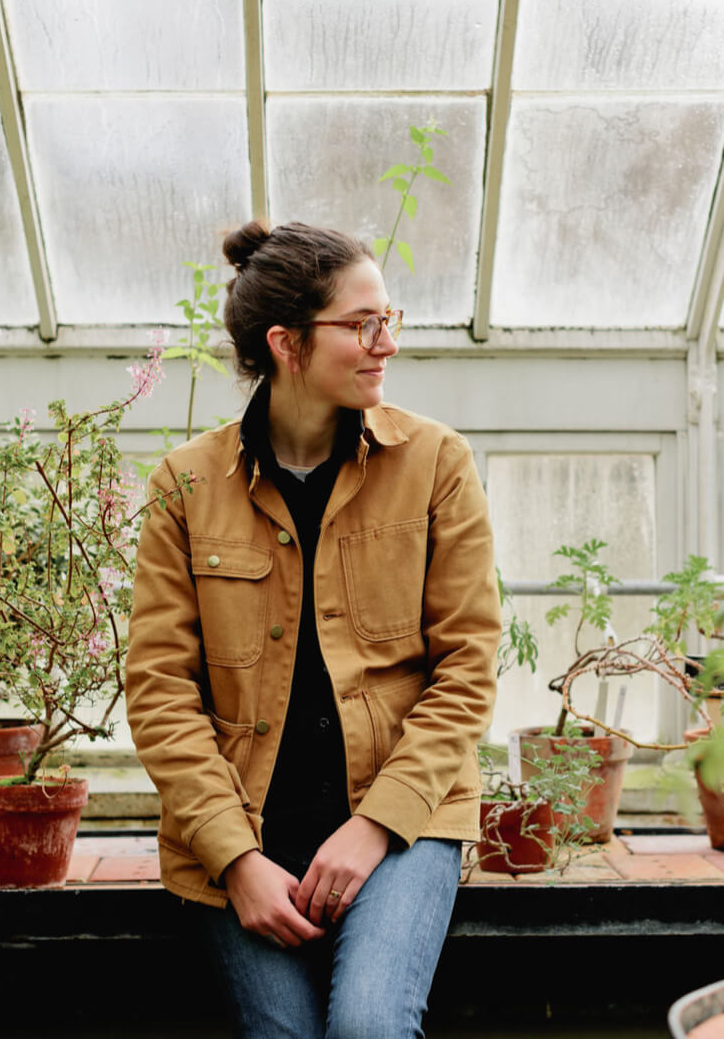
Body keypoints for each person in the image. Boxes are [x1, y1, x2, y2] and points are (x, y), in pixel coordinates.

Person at [125, 220, 501, 1039]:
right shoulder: (185, 487)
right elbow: (159, 693)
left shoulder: (437, 463)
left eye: (390, 318)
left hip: (403, 821)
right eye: (363, 324)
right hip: (241, 832)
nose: (386, 344)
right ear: (287, 344)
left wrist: (374, 827)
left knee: (369, 1028)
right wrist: (235, 859)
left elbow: (469, 666)